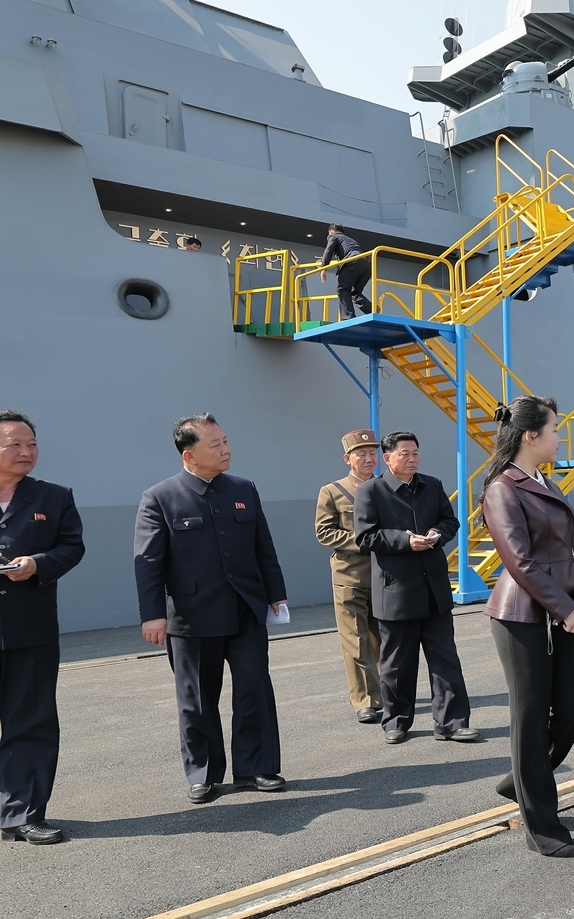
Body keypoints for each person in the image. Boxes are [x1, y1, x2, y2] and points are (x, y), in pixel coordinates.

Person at [134, 414, 287, 804]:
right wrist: (154, 615)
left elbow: (263, 546)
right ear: (190, 455)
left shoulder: (243, 488)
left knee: (254, 688)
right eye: (215, 444)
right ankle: (203, 772)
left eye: (226, 441)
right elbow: (148, 562)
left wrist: (275, 594)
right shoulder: (160, 497)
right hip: (191, 616)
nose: (226, 449)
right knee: (198, 699)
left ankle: (257, 768)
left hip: (245, 609)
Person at [481, 396, 574, 858]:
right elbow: (520, 562)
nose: (558, 437)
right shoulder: (502, 488)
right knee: (530, 718)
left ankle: (523, 778)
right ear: (531, 436)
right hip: (522, 617)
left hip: (564, 610)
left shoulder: (542, 481)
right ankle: (541, 826)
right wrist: (564, 609)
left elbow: (573, 546)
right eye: (554, 429)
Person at [354, 431, 478, 745]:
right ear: (388, 458)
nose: (412, 460)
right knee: (397, 663)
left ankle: (452, 722)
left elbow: (450, 521)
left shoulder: (432, 485)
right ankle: (395, 721)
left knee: (445, 658)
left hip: (434, 589)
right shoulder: (371, 491)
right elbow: (365, 537)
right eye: (405, 454)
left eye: (415, 453)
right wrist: (405, 541)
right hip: (395, 591)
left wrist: (438, 532)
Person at [0, 411, 84, 845]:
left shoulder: (54, 497)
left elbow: (72, 547)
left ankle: (23, 814)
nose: (26, 452)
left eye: (31, 444)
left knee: (29, 721)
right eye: (14, 444)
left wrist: (38, 565)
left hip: (28, 629)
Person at [314, 430, 382, 724]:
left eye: (372, 453)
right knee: (355, 640)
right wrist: (364, 540)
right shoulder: (333, 491)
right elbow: (324, 531)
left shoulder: (385, 488)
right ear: (347, 459)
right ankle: (364, 700)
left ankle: (388, 692)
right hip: (350, 576)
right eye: (361, 454)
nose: (368, 459)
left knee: (384, 640)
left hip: (384, 577)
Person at [318, 223, 370, 320]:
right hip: (366, 264)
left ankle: (348, 317)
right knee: (355, 293)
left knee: (343, 289)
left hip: (353, 261)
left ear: (331, 232)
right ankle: (372, 310)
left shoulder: (334, 237)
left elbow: (328, 251)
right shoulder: (349, 240)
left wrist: (323, 269)